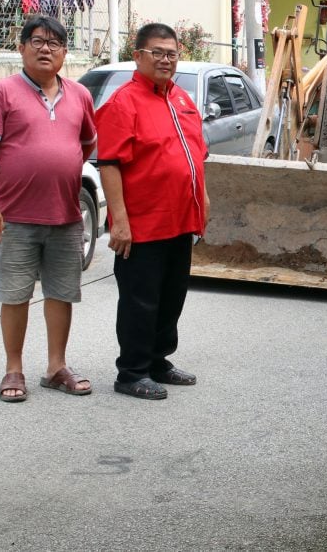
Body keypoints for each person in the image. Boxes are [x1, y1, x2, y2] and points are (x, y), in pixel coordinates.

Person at [0, 15, 97, 403]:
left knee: (62, 294)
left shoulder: (80, 95)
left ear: (64, 52)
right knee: (15, 295)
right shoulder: (1, 92)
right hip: (14, 217)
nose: (46, 49)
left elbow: (87, 145)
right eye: (37, 41)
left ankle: (56, 367)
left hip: (65, 216)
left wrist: (58, 162)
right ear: (21, 47)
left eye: (55, 43)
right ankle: (14, 368)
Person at [95, 23, 210, 400]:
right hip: (143, 223)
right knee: (140, 299)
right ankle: (131, 371)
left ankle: (158, 360)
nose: (166, 60)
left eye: (172, 53)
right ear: (139, 55)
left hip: (180, 220)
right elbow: (109, 164)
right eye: (158, 52)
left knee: (171, 295)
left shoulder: (180, 99)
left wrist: (203, 201)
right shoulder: (123, 103)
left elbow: (197, 157)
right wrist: (120, 223)